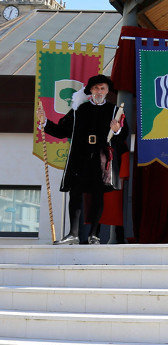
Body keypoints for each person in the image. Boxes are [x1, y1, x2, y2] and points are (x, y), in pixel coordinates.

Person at [37, 74, 128, 245]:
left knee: (98, 195)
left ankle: (94, 234)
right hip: (80, 157)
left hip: (101, 158)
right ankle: (73, 234)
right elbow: (62, 131)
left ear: (107, 91)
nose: (99, 91)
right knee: (75, 193)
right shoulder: (79, 110)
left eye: (102, 88)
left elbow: (123, 136)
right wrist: (45, 122)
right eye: (96, 88)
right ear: (90, 91)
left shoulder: (115, 111)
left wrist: (116, 131)